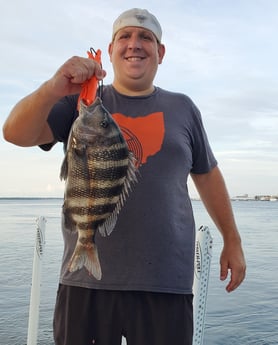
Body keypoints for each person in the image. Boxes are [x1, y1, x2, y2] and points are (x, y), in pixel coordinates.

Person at [3, 8, 246, 345]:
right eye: (125, 37)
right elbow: (14, 133)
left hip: (165, 283)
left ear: (160, 53)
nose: (135, 44)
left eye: (146, 37)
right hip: (84, 282)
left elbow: (207, 175)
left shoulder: (184, 108)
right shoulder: (80, 103)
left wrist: (231, 239)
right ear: (112, 49)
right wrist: (52, 89)